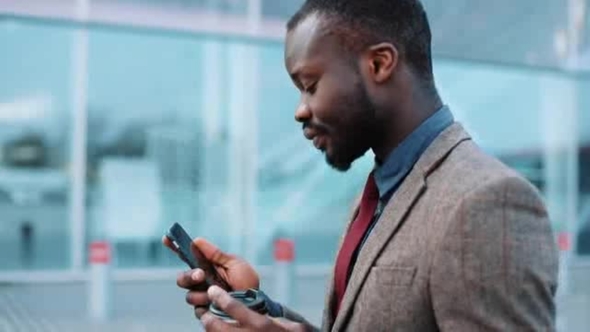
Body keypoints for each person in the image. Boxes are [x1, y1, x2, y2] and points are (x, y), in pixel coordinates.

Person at [163, 0, 559, 330]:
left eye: (311, 85)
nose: (301, 111)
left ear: (379, 64)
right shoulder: (377, 194)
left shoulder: (488, 201)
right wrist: (261, 311)